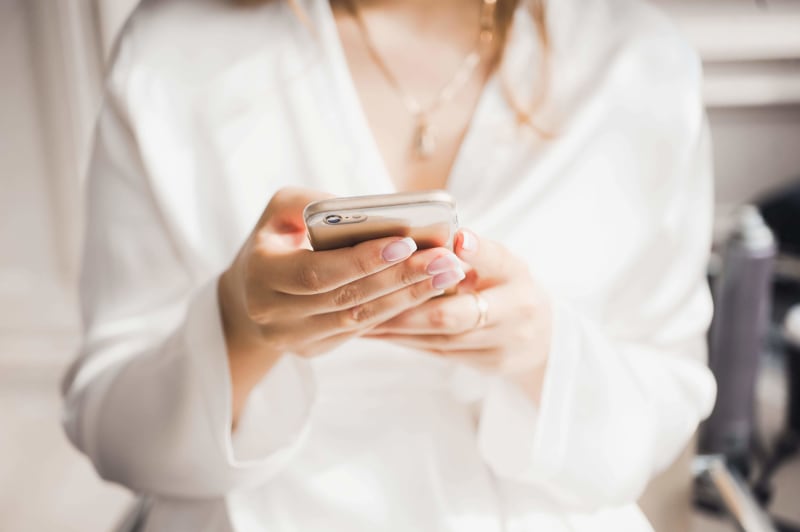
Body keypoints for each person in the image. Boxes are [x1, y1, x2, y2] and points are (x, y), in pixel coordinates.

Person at [62, 0, 717, 530]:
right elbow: (113, 430)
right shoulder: (171, 53)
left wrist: (539, 349)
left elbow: (661, 407)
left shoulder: (639, 63)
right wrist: (239, 327)